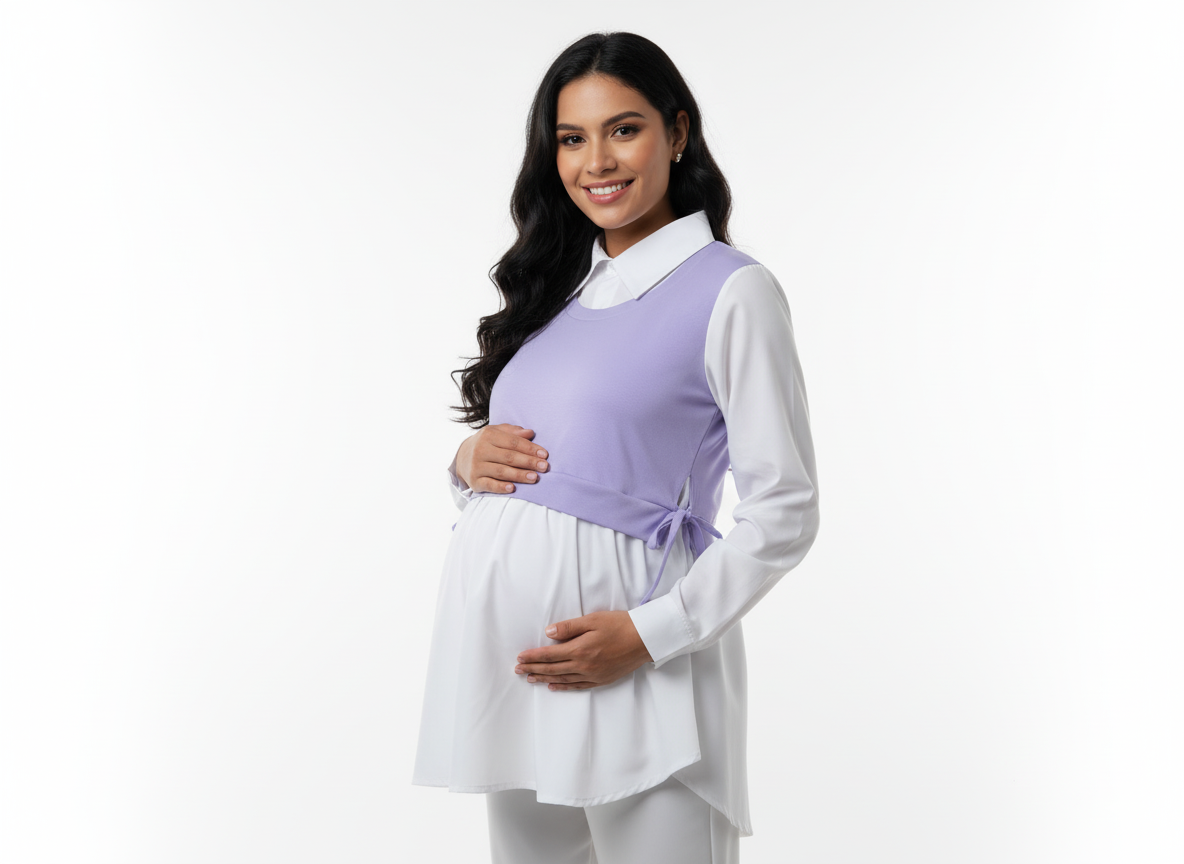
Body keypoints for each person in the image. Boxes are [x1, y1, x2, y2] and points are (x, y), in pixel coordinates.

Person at [412, 31, 820, 864]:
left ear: (677, 132)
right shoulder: (557, 289)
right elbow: (555, 464)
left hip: (639, 669)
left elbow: (785, 510)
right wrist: (465, 464)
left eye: (623, 129)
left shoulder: (732, 290)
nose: (596, 161)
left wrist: (649, 635)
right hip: (515, 676)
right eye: (572, 138)